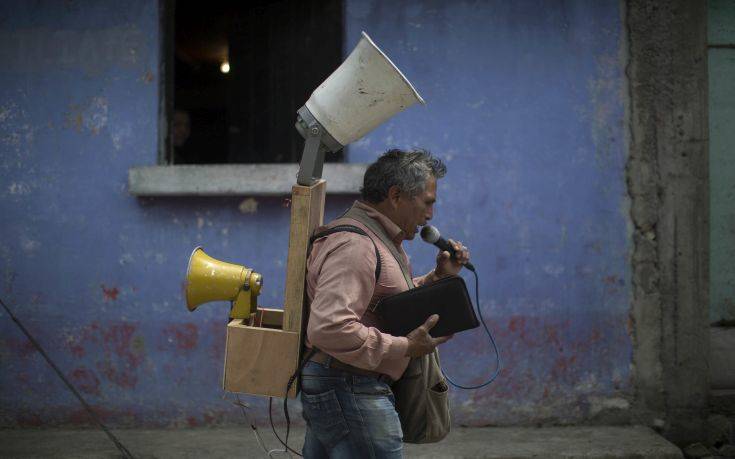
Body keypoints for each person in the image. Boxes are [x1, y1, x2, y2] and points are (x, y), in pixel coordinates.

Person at [300, 148, 471, 458]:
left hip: (346, 383)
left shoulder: (376, 239)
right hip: (349, 385)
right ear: (396, 196)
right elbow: (328, 327)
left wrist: (435, 279)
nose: (430, 215)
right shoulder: (356, 245)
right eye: (428, 202)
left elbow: (379, 302)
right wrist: (404, 347)